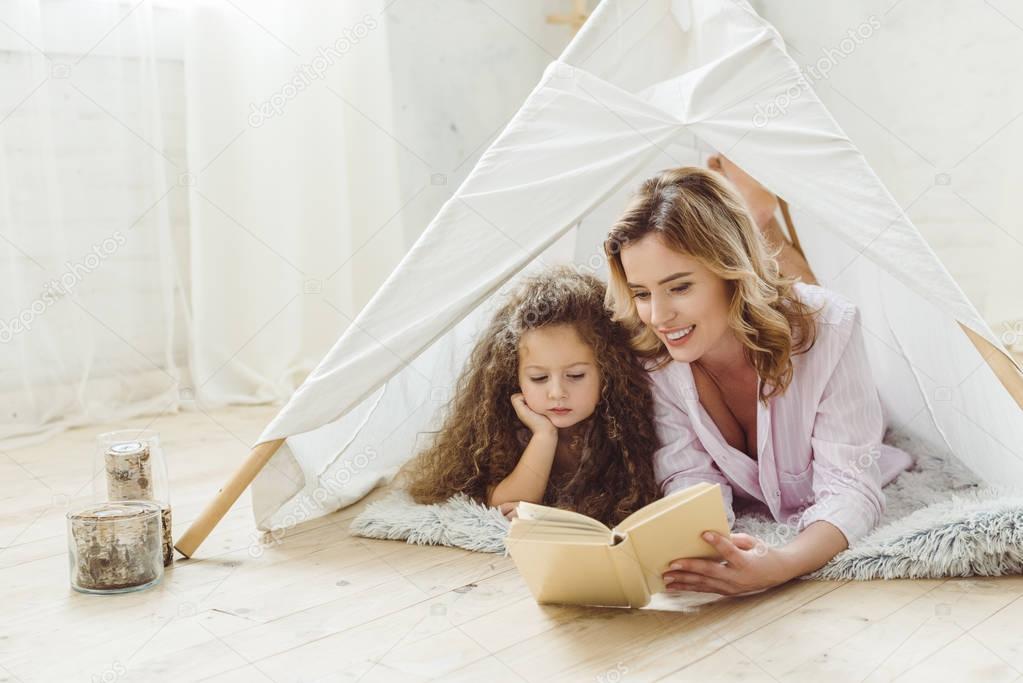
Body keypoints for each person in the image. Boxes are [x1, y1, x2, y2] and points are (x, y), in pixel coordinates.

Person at [603, 155, 913, 596]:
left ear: (729, 271)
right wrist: (691, 549)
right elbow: (687, 477)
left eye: (679, 287)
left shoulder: (832, 327)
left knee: (809, 316)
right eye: (640, 293)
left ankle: (762, 217)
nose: (658, 315)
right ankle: (756, 214)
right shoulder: (654, 358)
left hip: (822, 364)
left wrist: (782, 563)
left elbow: (850, 488)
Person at [398, 266, 660, 527]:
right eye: (539, 378)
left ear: (608, 371)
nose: (557, 392)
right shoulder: (506, 427)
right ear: (514, 377)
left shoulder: (623, 423)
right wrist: (544, 436)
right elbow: (504, 506)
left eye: (576, 375)